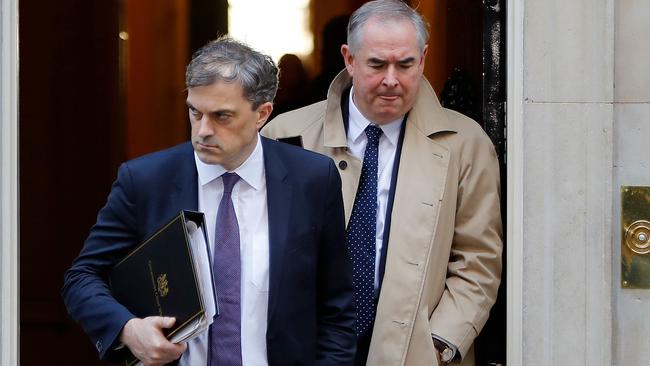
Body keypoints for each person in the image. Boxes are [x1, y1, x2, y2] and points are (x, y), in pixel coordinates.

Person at [62, 36, 356, 366]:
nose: (203, 130)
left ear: (262, 114)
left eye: (221, 116)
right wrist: (128, 329)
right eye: (195, 112)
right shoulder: (145, 181)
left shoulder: (312, 179)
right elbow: (82, 278)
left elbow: (337, 308)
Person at [261, 1, 502, 365]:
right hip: (309, 349)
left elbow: (478, 260)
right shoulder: (284, 135)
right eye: (377, 64)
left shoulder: (466, 144)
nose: (392, 79)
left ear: (422, 59)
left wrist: (439, 343)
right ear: (350, 59)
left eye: (405, 64)